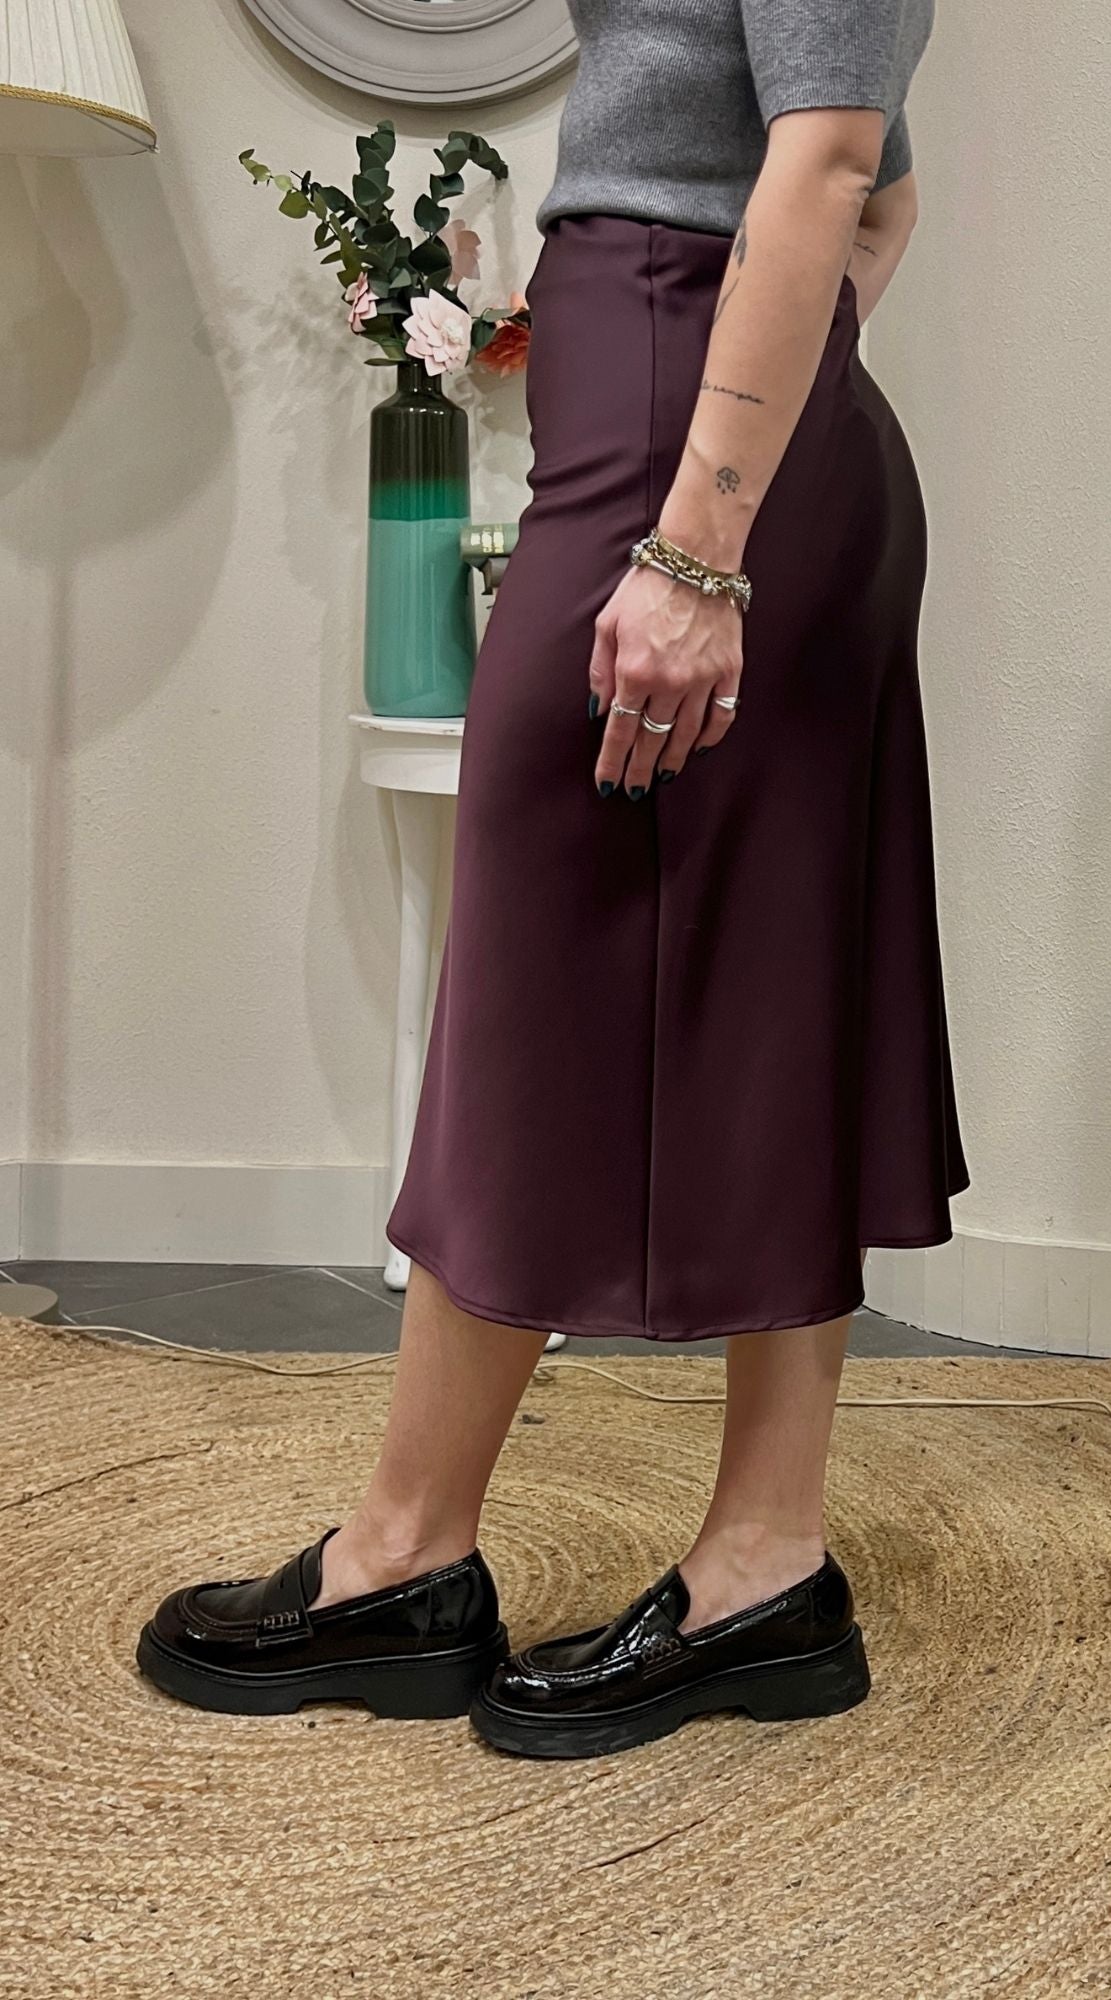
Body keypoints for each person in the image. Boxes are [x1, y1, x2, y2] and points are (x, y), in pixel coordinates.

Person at [138, 0, 969, 1760]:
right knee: (770, 980)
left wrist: (703, 533)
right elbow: (879, 182)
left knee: (555, 970)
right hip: (678, 400)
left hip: (684, 437)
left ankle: (415, 1555)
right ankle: (756, 1568)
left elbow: (833, 160)